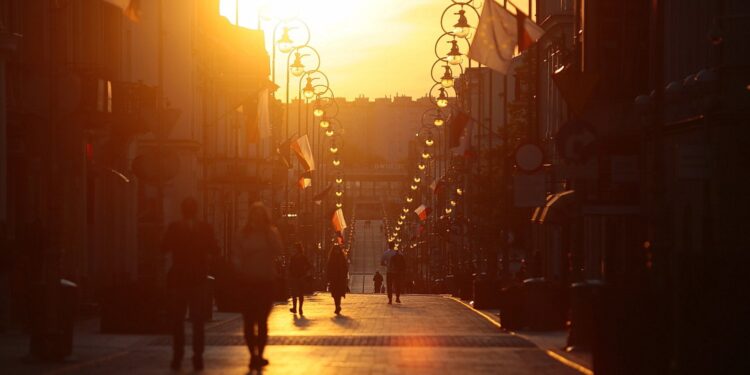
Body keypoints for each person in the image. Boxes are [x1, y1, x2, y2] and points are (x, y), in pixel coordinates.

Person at [162, 197, 219, 371]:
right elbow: (215, 249)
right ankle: (197, 357)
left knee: (178, 320)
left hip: (180, 279)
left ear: (182, 210)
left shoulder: (174, 228)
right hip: (197, 279)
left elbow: (163, 247)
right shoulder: (205, 229)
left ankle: (178, 357)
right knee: (197, 320)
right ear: (196, 210)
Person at [232, 202, 283, 371]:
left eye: (261, 216)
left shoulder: (270, 233)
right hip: (248, 283)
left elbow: (279, 250)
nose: (258, 219)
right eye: (255, 215)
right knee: (248, 322)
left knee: (262, 321)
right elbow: (237, 255)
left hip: (265, 282)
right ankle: (252, 354)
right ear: (251, 217)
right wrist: (238, 268)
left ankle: (259, 354)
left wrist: (270, 236)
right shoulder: (243, 235)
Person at [288, 242, 311, 315]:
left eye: (294, 248)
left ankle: (295, 308)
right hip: (300, 277)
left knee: (295, 294)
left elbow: (290, 268)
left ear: (297, 249)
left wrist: (291, 274)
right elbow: (308, 266)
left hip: (296, 277)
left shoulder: (293, 257)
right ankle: (299, 308)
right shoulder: (302, 257)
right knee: (300, 294)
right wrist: (304, 271)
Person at [326, 244, 348, 315]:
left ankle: (338, 306)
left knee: (338, 293)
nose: (337, 251)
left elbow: (345, 268)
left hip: (340, 279)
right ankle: (337, 306)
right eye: (335, 250)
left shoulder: (342, 258)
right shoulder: (331, 259)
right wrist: (329, 277)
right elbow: (328, 268)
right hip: (334, 279)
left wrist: (344, 275)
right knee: (335, 294)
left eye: (337, 250)